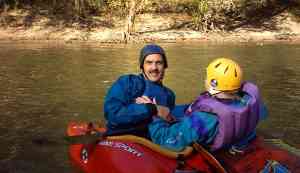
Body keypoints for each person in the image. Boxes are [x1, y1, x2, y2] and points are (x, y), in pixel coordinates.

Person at [149, 58, 268, 152]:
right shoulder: (247, 102)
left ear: (213, 83)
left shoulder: (204, 118)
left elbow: (167, 140)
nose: (205, 79)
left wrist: (155, 116)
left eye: (207, 76)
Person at [104, 44, 176, 137]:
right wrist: (153, 109)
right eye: (149, 62)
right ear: (142, 66)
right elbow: (112, 114)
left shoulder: (169, 95)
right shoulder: (128, 82)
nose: (154, 68)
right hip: (122, 139)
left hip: (150, 143)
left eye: (159, 63)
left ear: (165, 66)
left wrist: (170, 119)